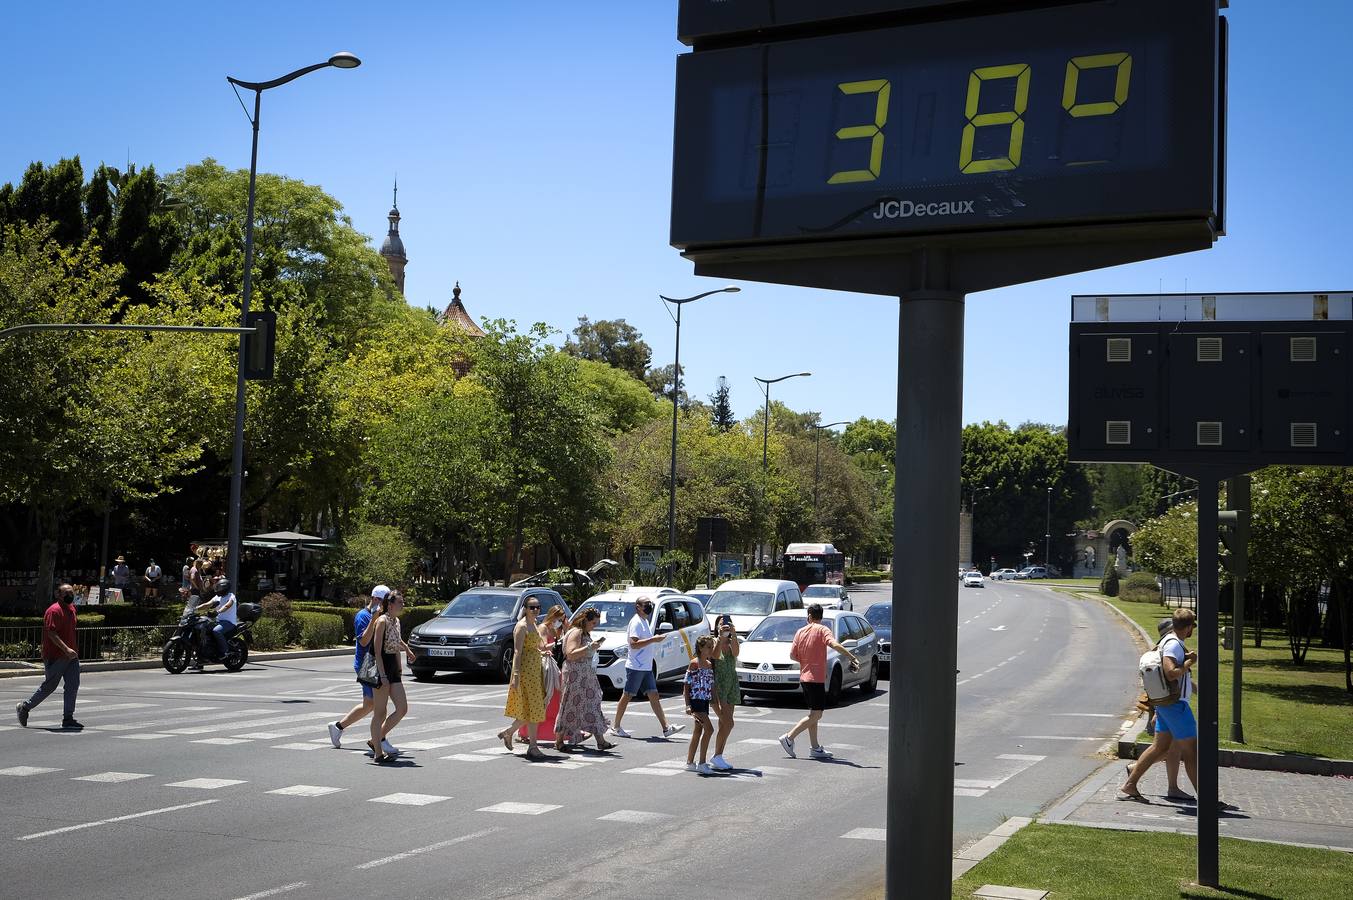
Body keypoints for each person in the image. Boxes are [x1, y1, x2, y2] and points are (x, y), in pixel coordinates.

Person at [1120, 608, 1201, 802]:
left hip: (1168, 704)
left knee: (1160, 747)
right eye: (1193, 627)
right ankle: (1206, 798)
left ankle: (1130, 785)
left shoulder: (1171, 643)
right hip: (1175, 706)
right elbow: (1171, 673)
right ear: (1189, 627)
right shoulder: (1173, 645)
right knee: (1191, 750)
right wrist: (1191, 662)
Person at [779, 605, 858, 759]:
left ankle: (815, 748)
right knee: (817, 715)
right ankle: (789, 737)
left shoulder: (800, 631)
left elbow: (792, 656)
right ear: (820, 616)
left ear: (809, 616)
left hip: (805, 677)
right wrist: (851, 657)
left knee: (813, 714)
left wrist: (807, 661)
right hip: (815, 679)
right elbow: (834, 644)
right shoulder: (823, 630)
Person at [610, 596, 683, 739]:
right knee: (627, 695)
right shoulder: (636, 622)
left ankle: (666, 728)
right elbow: (633, 644)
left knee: (654, 695)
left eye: (650, 604)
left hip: (645, 667)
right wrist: (653, 639)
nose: (649, 606)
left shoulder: (644, 621)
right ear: (638, 606)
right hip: (636, 666)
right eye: (646, 604)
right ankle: (616, 726)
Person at [329, 586, 391, 751]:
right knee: (377, 706)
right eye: (385, 601)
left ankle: (338, 727)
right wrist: (374, 619)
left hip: (378, 664)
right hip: (367, 664)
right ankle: (379, 740)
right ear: (375, 599)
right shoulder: (363, 616)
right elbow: (363, 641)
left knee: (370, 704)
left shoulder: (385, 616)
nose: (387, 605)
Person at [16, 584, 83, 730]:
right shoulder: (54, 611)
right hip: (56, 656)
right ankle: (25, 707)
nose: (70, 595)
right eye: (66, 593)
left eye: (71, 592)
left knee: (73, 686)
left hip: (71, 656)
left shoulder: (71, 609)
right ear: (58, 594)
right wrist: (66, 649)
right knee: (49, 686)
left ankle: (68, 718)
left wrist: (72, 651)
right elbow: (51, 633)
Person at [554, 607, 616, 752]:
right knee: (570, 706)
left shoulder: (583, 632)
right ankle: (559, 740)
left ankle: (601, 740)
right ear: (585, 620)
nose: (595, 626)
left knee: (593, 704)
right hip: (575, 676)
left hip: (585, 675)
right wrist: (590, 647)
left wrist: (592, 647)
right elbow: (570, 654)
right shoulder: (576, 632)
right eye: (593, 623)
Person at [369, 590, 416, 764]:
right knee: (380, 712)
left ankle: (377, 738)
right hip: (381, 668)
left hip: (393, 669)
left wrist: (407, 650)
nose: (402, 605)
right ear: (390, 605)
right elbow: (377, 650)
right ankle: (378, 754)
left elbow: (397, 639)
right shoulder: (381, 621)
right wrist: (382, 675)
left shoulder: (396, 621)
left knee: (402, 708)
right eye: (400, 603)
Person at [499, 596, 550, 759]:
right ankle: (532, 746)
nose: (535, 610)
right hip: (525, 672)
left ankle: (509, 733)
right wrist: (515, 675)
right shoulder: (521, 626)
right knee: (532, 709)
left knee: (532, 709)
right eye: (532, 607)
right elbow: (517, 652)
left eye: (537, 607)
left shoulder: (533, 623)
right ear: (525, 608)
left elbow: (534, 647)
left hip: (535, 670)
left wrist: (542, 652)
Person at [521, 605, 567, 744]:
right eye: (558, 618)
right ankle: (527, 732)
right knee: (547, 700)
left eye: (562, 619)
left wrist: (564, 630)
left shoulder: (557, 629)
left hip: (556, 667)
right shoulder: (543, 628)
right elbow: (540, 647)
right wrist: (556, 644)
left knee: (556, 702)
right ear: (552, 616)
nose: (560, 621)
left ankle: (554, 731)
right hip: (545, 667)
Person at [683, 634, 718, 774]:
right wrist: (687, 705)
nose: (711, 650)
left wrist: (715, 702)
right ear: (700, 648)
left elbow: (711, 685)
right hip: (696, 701)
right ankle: (702, 763)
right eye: (708, 647)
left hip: (704, 701)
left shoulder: (709, 665)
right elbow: (686, 685)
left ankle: (690, 762)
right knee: (709, 729)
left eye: (712, 647)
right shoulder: (694, 664)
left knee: (698, 731)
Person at [709, 614, 740, 771]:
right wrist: (721, 637)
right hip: (719, 685)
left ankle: (718, 755)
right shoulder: (715, 641)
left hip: (731, 684)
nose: (725, 626)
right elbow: (714, 656)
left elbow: (735, 653)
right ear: (716, 627)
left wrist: (733, 634)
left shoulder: (733, 640)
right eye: (722, 624)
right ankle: (716, 756)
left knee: (724, 723)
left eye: (728, 624)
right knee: (729, 723)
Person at [197, 577, 239, 661]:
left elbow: (227, 605)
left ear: (224, 588)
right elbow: (207, 604)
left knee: (217, 631)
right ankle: (202, 658)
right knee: (202, 629)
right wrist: (194, 609)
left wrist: (217, 612)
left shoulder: (231, 596)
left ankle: (225, 652)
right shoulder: (217, 597)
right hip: (218, 621)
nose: (217, 589)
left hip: (229, 623)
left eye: (219, 588)